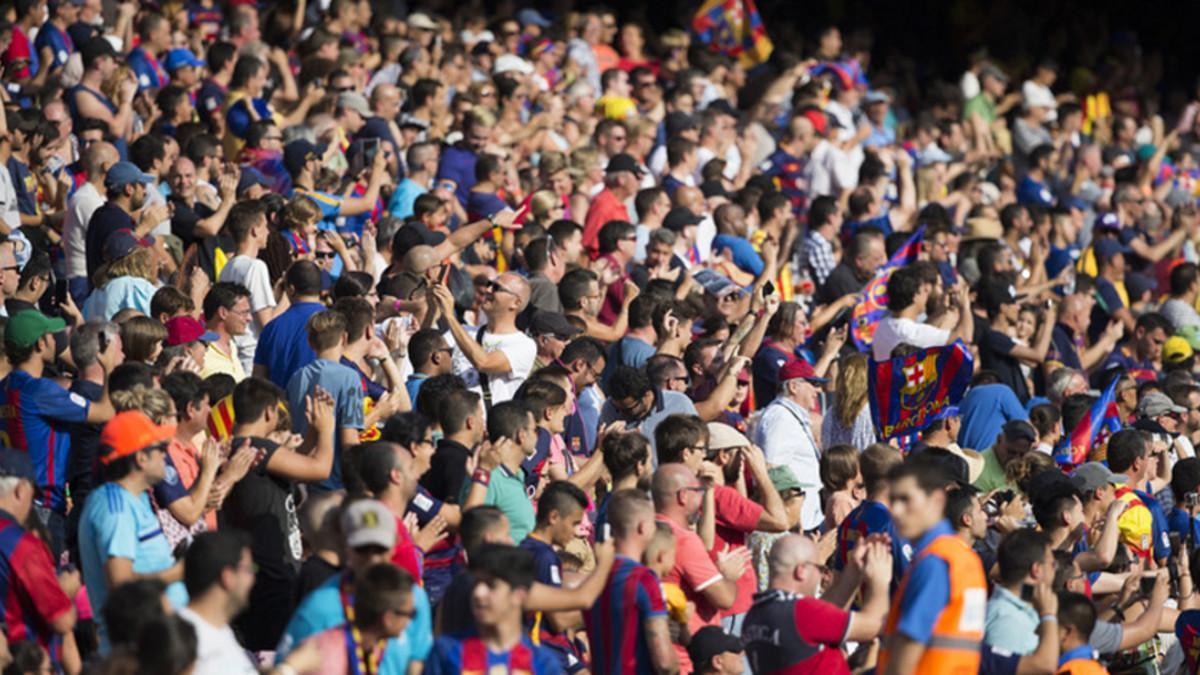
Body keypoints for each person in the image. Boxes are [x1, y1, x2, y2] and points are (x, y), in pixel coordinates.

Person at [224, 377, 335, 651]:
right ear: (270, 412)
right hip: (272, 577)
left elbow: (299, 461)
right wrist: (327, 429)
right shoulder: (257, 448)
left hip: (262, 574)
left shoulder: (241, 446)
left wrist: (312, 431)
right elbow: (319, 469)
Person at [0, 309, 116, 556]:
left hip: (14, 500)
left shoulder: (5, 387)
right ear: (40, 343)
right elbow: (105, 411)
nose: (57, 341)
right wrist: (108, 368)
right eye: (52, 335)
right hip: (43, 506)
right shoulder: (39, 390)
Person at [277, 499, 434, 673]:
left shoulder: (412, 598)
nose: (372, 559)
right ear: (346, 547)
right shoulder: (319, 606)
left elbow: (417, 660)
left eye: (379, 549)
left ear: (394, 545)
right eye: (363, 549)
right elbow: (287, 664)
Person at [78, 411, 188, 650]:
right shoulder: (114, 507)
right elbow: (121, 584)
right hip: (137, 648)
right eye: (159, 447)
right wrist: (178, 573)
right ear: (141, 458)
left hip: (153, 642)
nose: (165, 454)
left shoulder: (131, 499)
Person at [877, 457, 986, 675]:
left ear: (936, 501)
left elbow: (910, 646)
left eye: (906, 499)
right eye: (892, 500)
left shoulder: (935, 562)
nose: (896, 510)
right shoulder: (960, 556)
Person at [742, 533, 891, 673]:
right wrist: (880, 579)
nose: (821, 575)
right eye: (820, 568)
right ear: (801, 571)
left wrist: (853, 571)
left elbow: (826, 614)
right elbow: (874, 625)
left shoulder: (755, 615)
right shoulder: (800, 613)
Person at [424, 543, 564, 674]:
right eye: (476, 582)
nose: (478, 593)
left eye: (491, 585)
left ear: (519, 595)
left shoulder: (543, 664)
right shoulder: (446, 651)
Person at [585, 488, 677, 675]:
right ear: (643, 527)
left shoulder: (594, 579)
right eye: (653, 522)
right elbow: (665, 661)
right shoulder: (644, 580)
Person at [0, 449, 76, 672]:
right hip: (28, 661)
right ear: (21, 490)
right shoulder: (22, 544)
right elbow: (62, 619)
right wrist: (67, 590)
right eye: (33, 496)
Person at [285, 310, 364, 491]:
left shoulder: (297, 377)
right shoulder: (350, 378)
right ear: (344, 338)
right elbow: (349, 441)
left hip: (302, 479)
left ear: (310, 342)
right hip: (333, 483)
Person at [433, 273, 536, 409]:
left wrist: (450, 317)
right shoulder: (464, 330)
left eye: (497, 288)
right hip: (452, 419)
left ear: (516, 303)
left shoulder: (524, 345)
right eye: (489, 284)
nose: (488, 290)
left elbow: (484, 362)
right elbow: (428, 355)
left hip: (488, 426)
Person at [299, 563, 418, 675]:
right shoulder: (329, 655)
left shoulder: (373, 646)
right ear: (388, 619)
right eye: (411, 614)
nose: (410, 622)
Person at [754, 359, 826, 529]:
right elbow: (772, 470)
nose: (818, 391)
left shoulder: (787, 415)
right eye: (813, 384)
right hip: (796, 522)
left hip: (805, 518)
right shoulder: (780, 417)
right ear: (794, 386)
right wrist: (789, 519)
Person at [177, 531, 258, 675]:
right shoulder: (183, 640)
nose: (253, 580)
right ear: (227, 577)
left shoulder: (219, 629)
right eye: (249, 570)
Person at [253, 260, 325, 389]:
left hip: (281, 405)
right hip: (324, 404)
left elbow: (258, 380)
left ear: (291, 290)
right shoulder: (334, 322)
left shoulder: (272, 328)